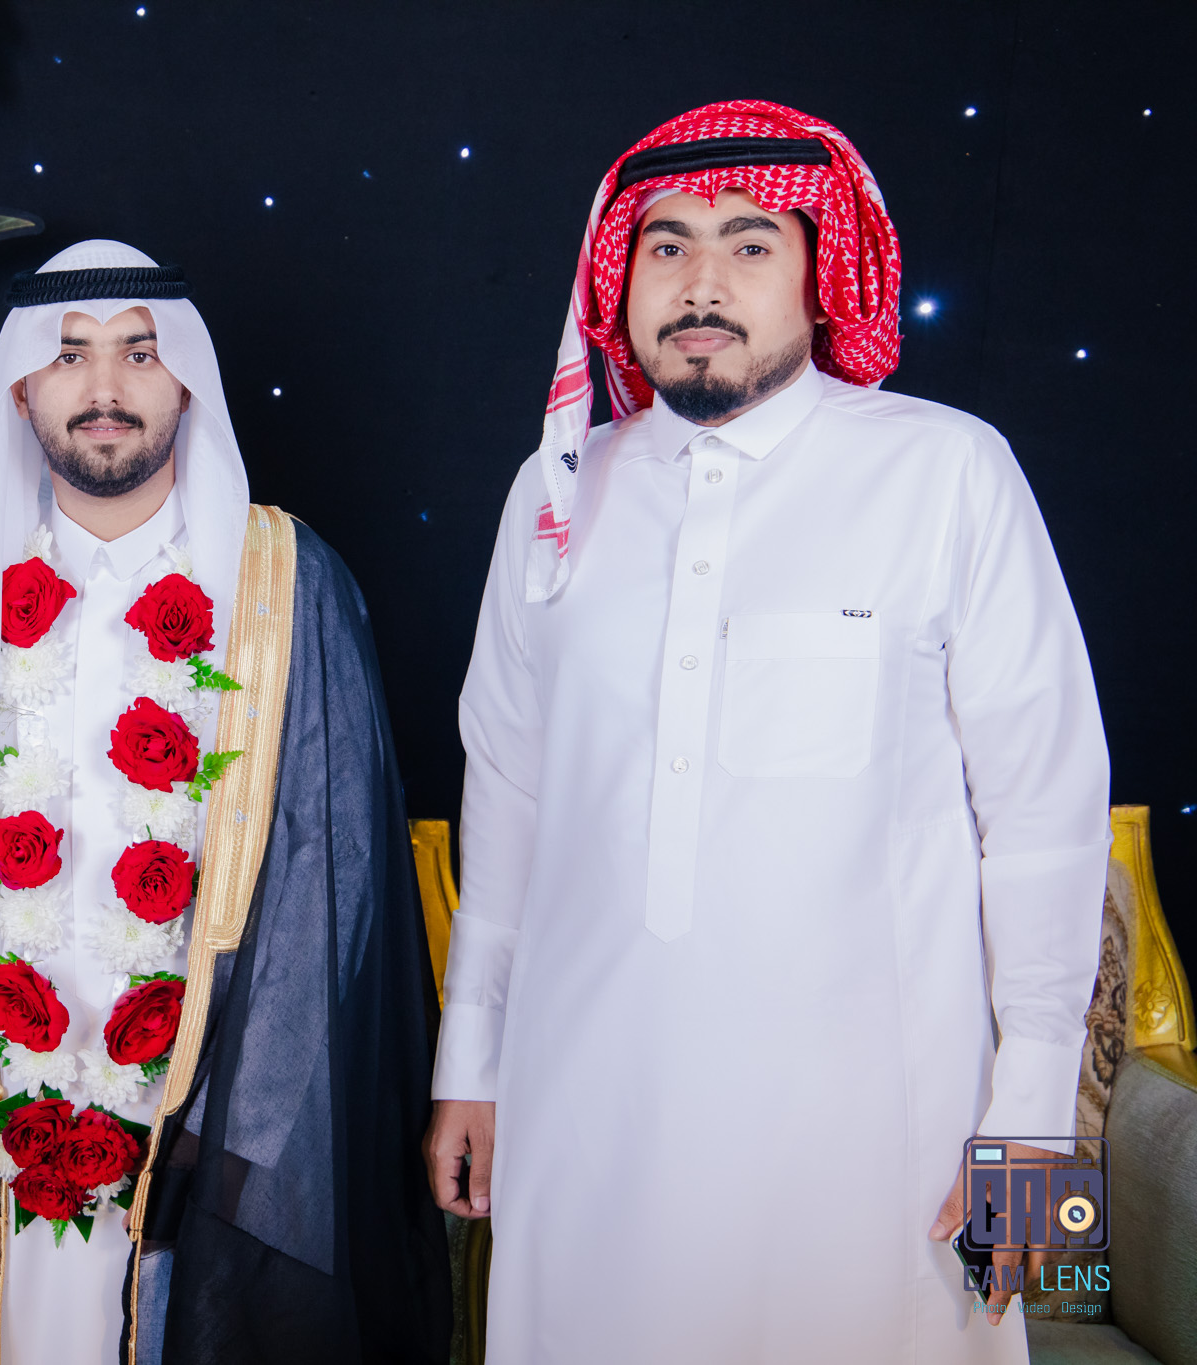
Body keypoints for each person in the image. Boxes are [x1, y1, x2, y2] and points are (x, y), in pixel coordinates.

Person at [424, 101, 1109, 1363]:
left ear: (819, 275)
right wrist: (468, 1063)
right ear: (617, 280)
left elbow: (1044, 821)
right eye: (665, 246)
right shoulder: (555, 492)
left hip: (879, 1148)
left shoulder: (946, 472)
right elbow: (508, 793)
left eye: (748, 245)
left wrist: (1032, 1132)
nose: (700, 284)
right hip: (589, 1124)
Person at [0, 241, 448, 1365]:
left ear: (185, 383)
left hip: (220, 1137)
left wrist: (244, 1133)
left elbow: (336, 882)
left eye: (138, 354)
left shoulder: (283, 580)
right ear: (22, 390)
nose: (104, 388)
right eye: (69, 357)